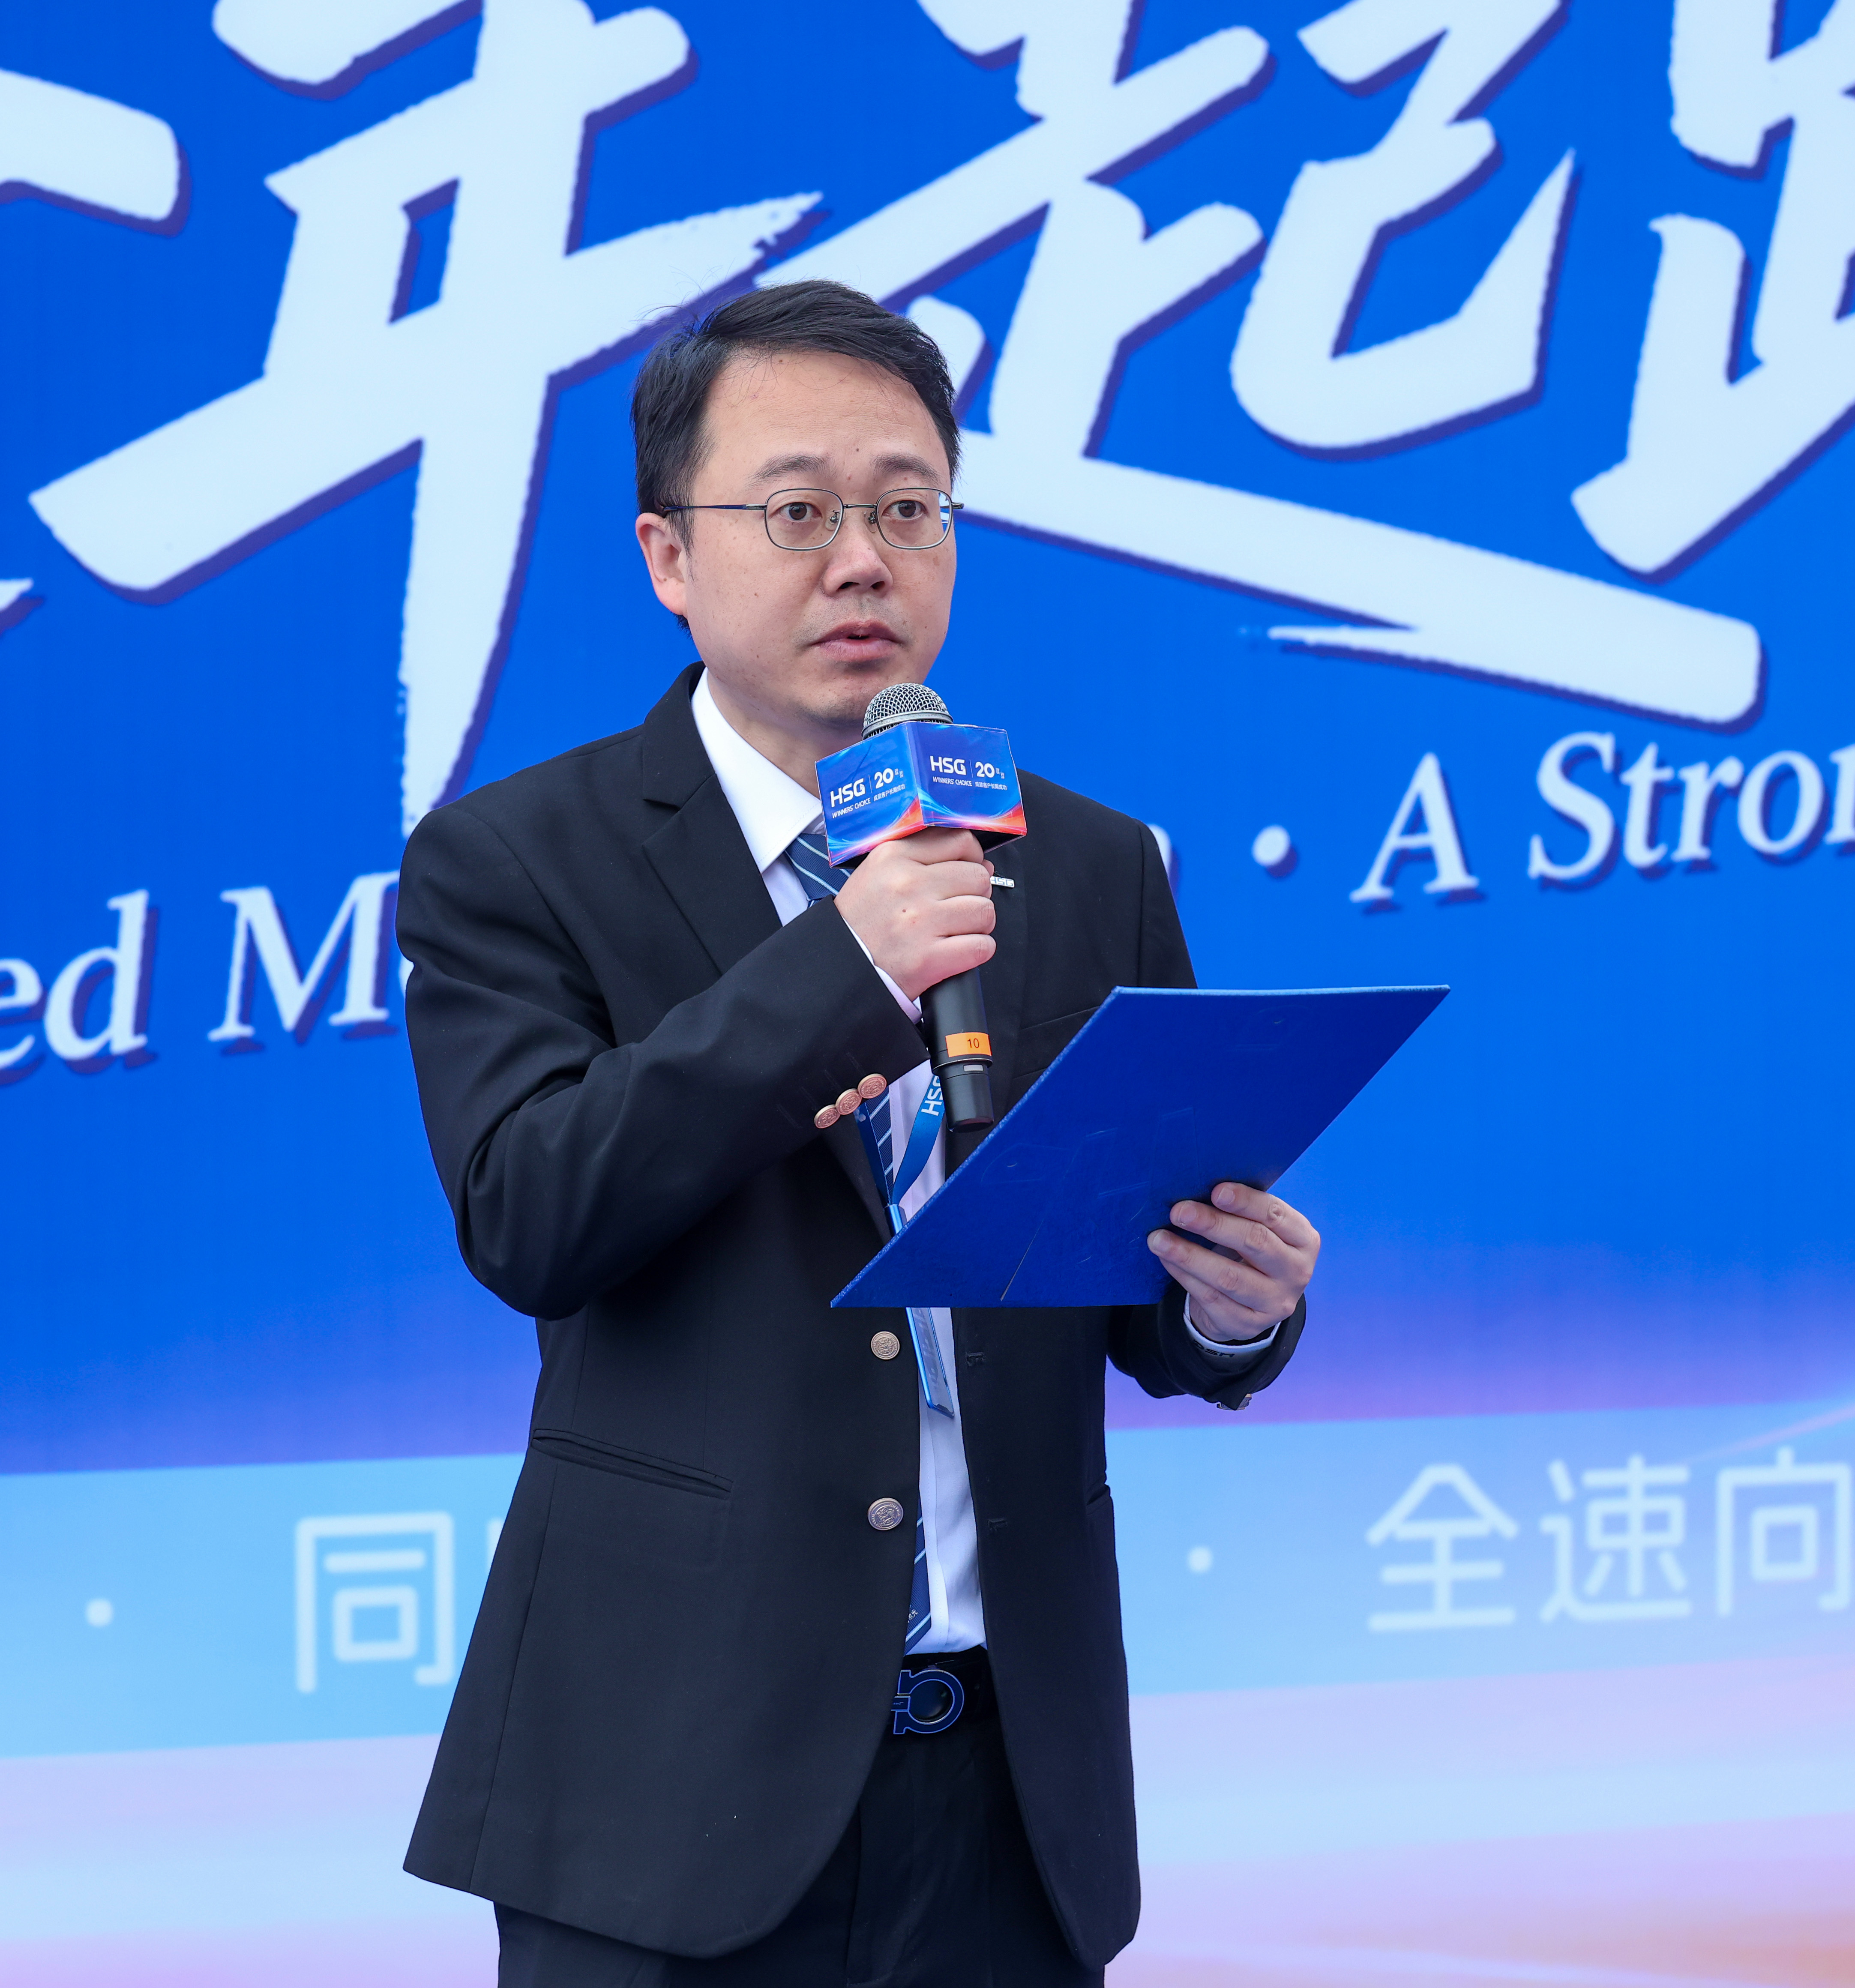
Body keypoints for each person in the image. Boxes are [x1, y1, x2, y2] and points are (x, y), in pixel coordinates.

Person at [396, 279, 1322, 1987]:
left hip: (1010, 1787)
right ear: (670, 556)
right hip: (667, 1789)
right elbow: (532, 1210)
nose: (863, 560)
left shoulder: (1085, 861)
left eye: (908, 509)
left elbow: (1127, 1279)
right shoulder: (516, 858)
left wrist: (1227, 1305)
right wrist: (845, 969)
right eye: (798, 511)